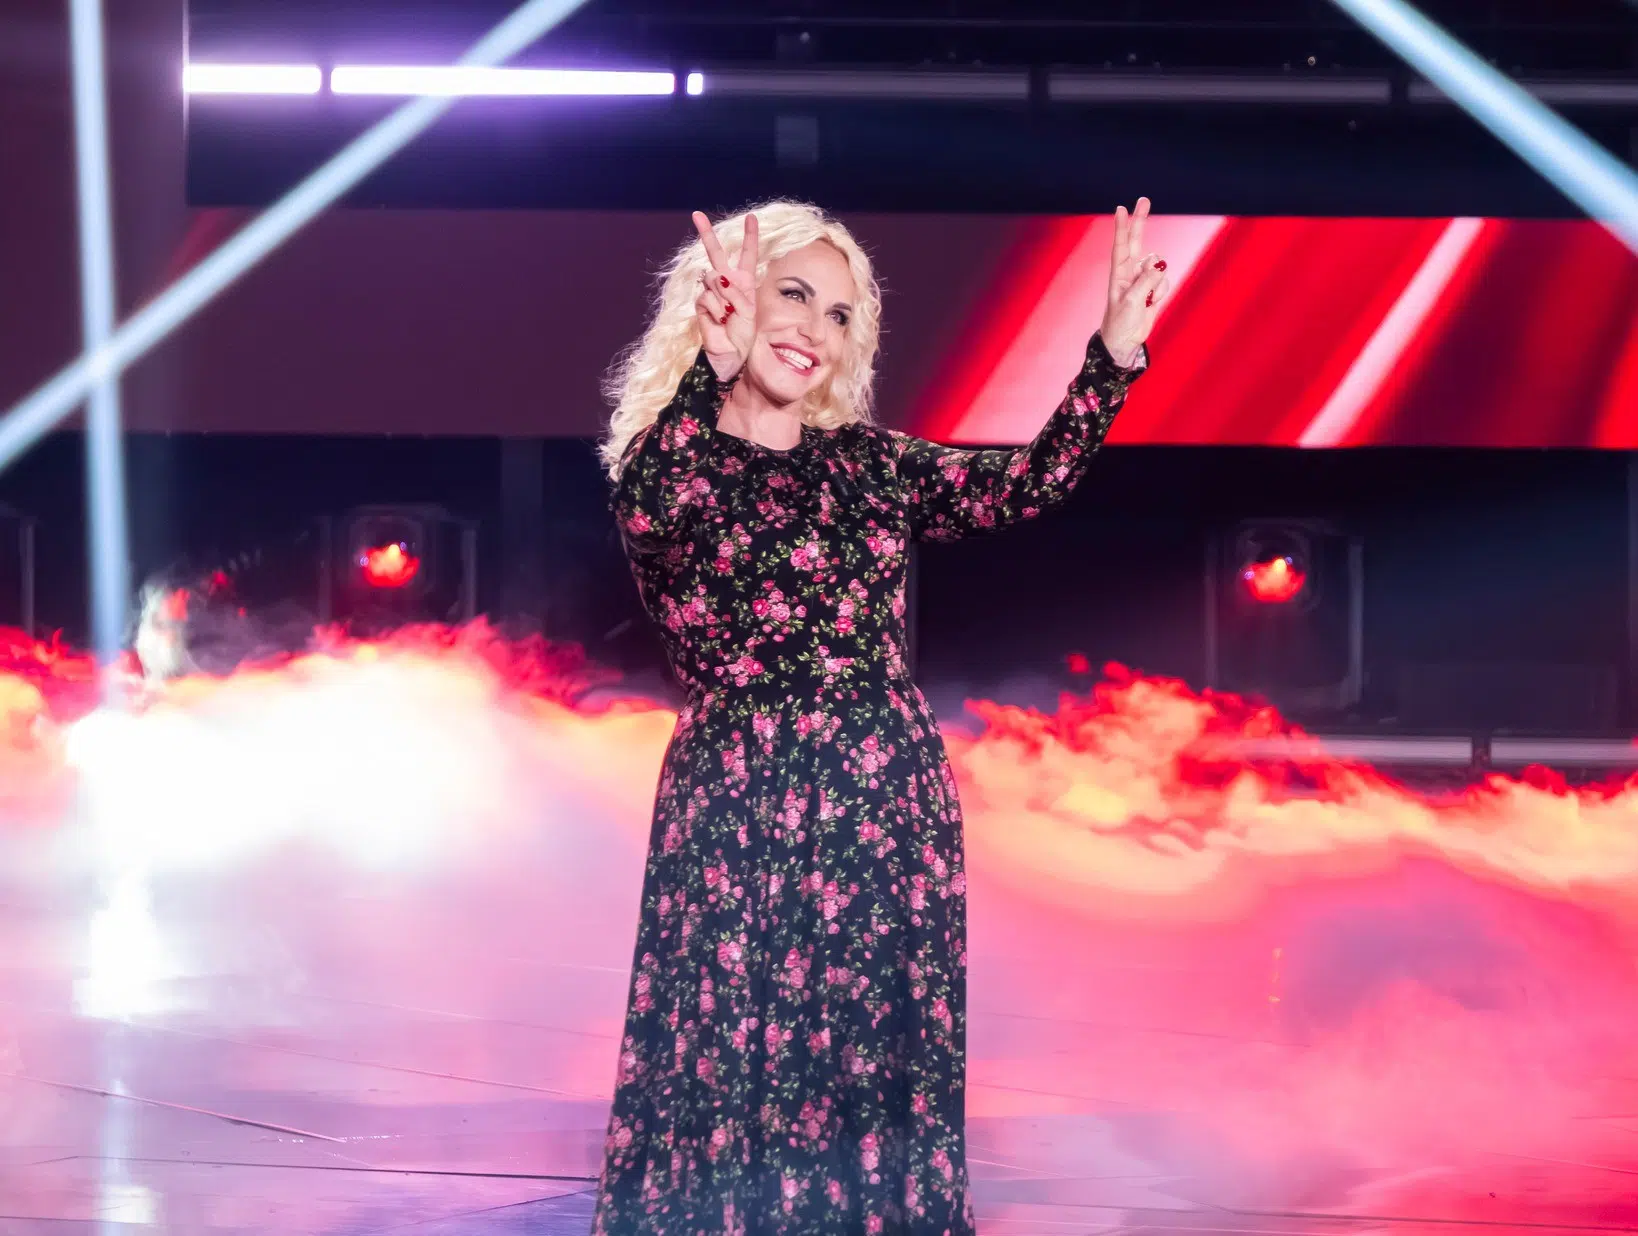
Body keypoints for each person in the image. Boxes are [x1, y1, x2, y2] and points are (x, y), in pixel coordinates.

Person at [594, 199, 1167, 1235]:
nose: (815, 328)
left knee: (871, 1068)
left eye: (841, 314)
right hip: (740, 806)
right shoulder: (671, 456)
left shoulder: (867, 464)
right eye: (794, 294)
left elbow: (1025, 484)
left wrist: (1111, 358)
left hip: (884, 800)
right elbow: (652, 511)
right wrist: (709, 373)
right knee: (732, 1065)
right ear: (726, 297)